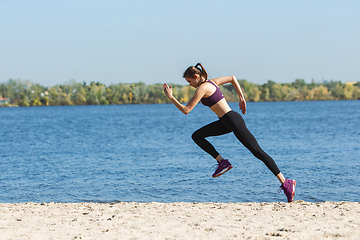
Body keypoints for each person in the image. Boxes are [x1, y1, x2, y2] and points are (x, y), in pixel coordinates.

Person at [163, 63, 296, 203]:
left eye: (189, 81)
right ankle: (222, 162)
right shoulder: (212, 82)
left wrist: (171, 97)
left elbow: (186, 110)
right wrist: (241, 97)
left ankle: (286, 182)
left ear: (196, 76)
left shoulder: (202, 88)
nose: (190, 84)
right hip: (226, 121)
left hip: (232, 120)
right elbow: (233, 78)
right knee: (197, 136)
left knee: (257, 151)